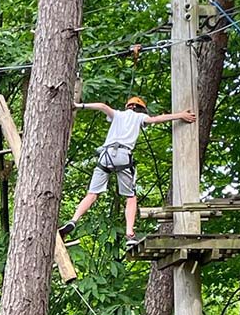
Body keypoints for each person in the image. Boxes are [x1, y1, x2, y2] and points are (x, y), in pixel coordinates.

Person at [58, 96, 196, 247]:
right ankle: (130, 234)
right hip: (123, 155)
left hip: (106, 155)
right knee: (130, 197)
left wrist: (78, 105)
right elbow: (156, 119)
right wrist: (180, 115)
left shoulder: (118, 114)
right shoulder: (140, 117)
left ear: (128, 106)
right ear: (141, 108)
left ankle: (73, 220)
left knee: (92, 194)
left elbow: (103, 106)